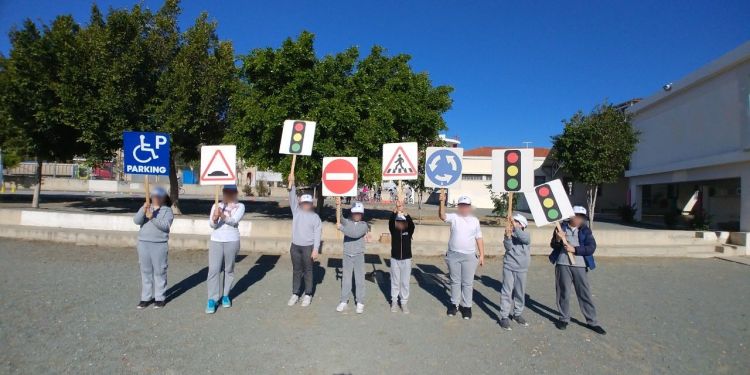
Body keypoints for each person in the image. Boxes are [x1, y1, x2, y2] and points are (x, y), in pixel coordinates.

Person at [549, 205, 607, 335]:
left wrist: (575, 250)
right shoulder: (560, 227)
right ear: (570, 215)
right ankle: (564, 318)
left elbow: (591, 247)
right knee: (563, 292)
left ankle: (592, 322)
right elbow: (553, 245)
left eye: (581, 217)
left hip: (580, 265)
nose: (578, 219)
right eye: (577, 215)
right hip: (562, 263)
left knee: (584, 293)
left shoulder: (585, 230)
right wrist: (558, 238)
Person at [439, 191, 484, 319]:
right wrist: (441, 202)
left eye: (466, 205)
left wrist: (482, 255)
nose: (464, 208)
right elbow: (442, 216)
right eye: (461, 205)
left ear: (470, 207)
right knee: (455, 281)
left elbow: (479, 238)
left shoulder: (475, 221)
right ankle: (454, 304)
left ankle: (467, 307)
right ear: (458, 206)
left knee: (467, 283)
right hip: (453, 255)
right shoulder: (454, 217)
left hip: (469, 256)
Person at [205, 185, 246, 314]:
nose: (228, 194)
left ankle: (226, 295)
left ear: (235, 193)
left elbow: (233, 221)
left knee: (229, 269)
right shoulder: (216, 205)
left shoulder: (240, 206)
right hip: (216, 240)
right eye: (226, 191)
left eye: (231, 192)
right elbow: (212, 225)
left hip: (232, 240)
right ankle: (212, 299)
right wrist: (215, 218)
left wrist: (222, 215)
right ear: (222, 193)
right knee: (213, 270)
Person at [133, 186, 174, 309]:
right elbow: (137, 221)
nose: (156, 198)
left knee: (160, 271)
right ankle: (145, 298)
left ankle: (160, 297)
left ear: (164, 198)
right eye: (154, 196)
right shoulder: (146, 207)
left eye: (159, 196)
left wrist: (152, 217)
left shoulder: (167, 211)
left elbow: (165, 226)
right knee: (145, 271)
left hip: (159, 244)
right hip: (143, 243)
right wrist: (143, 210)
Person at [286, 172, 322, 307]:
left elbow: (318, 234)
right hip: (295, 247)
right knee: (296, 270)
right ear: (300, 203)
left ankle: (308, 294)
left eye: (308, 203)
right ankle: (295, 293)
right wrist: (292, 183)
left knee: (308, 271)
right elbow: (292, 197)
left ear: (311, 204)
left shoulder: (315, 218)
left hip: (308, 248)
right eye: (304, 203)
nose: (306, 205)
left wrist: (315, 249)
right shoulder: (296, 211)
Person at [498, 213, 531, 330]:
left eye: (516, 222)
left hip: (522, 268)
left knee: (520, 292)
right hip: (509, 266)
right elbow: (508, 247)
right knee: (506, 292)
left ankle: (517, 314)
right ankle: (504, 317)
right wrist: (507, 237)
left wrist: (514, 226)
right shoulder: (510, 233)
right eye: (513, 222)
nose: (513, 224)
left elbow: (525, 239)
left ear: (522, 225)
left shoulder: (525, 235)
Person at [335, 199, 369, 314]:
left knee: (359, 279)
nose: (357, 215)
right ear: (352, 212)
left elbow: (354, 234)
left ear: (362, 214)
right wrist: (338, 205)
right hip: (347, 255)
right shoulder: (347, 222)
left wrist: (341, 228)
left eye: (359, 213)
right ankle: (344, 300)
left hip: (359, 255)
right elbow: (340, 218)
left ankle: (360, 302)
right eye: (355, 213)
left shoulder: (364, 225)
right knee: (346, 279)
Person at [389, 201, 415, 313]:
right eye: (398, 222)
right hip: (395, 258)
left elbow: (412, 226)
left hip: (406, 259)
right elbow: (390, 222)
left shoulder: (408, 231)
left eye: (403, 223)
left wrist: (405, 214)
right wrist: (396, 210)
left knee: (405, 282)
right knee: (395, 281)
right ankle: (394, 301)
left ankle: (404, 302)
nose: (400, 224)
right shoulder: (393, 229)